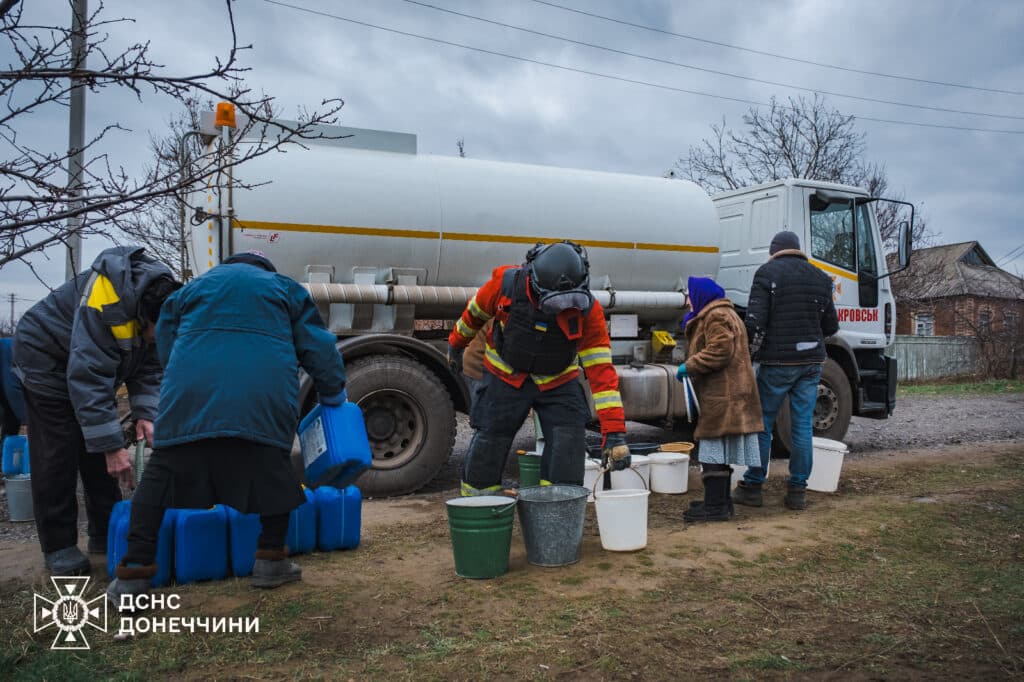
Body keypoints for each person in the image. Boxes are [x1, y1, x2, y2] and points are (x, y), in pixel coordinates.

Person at [107, 251, 346, 603]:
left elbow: (169, 347)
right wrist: (333, 391)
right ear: (265, 268)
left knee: (158, 481)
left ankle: (133, 573)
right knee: (273, 472)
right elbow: (318, 347)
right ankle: (270, 561)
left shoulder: (190, 290)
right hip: (262, 398)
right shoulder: (284, 288)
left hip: (189, 398)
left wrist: (190, 374)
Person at [12, 246, 180, 576]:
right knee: (58, 452)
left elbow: (149, 369)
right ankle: (59, 545)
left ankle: (105, 531)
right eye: (155, 331)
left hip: (91, 367)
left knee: (102, 445)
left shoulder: (165, 301)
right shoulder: (106, 299)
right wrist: (112, 446)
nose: (158, 338)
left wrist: (147, 413)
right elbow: (89, 375)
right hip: (47, 359)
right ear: (142, 317)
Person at [447, 240, 630, 495]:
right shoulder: (505, 285)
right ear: (533, 282)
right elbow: (473, 315)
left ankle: (556, 509)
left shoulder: (589, 312)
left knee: (568, 442)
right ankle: (478, 507)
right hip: (505, 376)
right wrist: (456, 344)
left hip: (558, 381)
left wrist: (614, 432)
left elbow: (602, 375)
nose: (563, 308)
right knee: (490, 440)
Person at [736, 231, 839, 510]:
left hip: (778, 362)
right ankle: (797, 491)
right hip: (811, 363)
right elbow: (831, 326)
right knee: (803, 426)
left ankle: (754, 485)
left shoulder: (767, 273)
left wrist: (748, 354)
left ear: (774, 252)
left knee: (764, 424)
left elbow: (755, 323)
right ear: (798, 250)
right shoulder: (821, 278)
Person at [676, 277, 763, 522]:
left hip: (724, 397)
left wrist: (689, 366)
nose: (688, 300)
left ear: (701, 295)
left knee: (712, 452)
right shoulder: (723, 313)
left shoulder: (716, 316)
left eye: (690, 295)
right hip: (729, 396)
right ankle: (721, 504)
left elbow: (720, 350)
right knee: (719, 452)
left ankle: (715, 508)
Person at [0, 337, 26, 441]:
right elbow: (12, 388)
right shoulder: (9, 348)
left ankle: (5, 453)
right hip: (7, 387)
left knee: (10, 417)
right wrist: (29, 421)